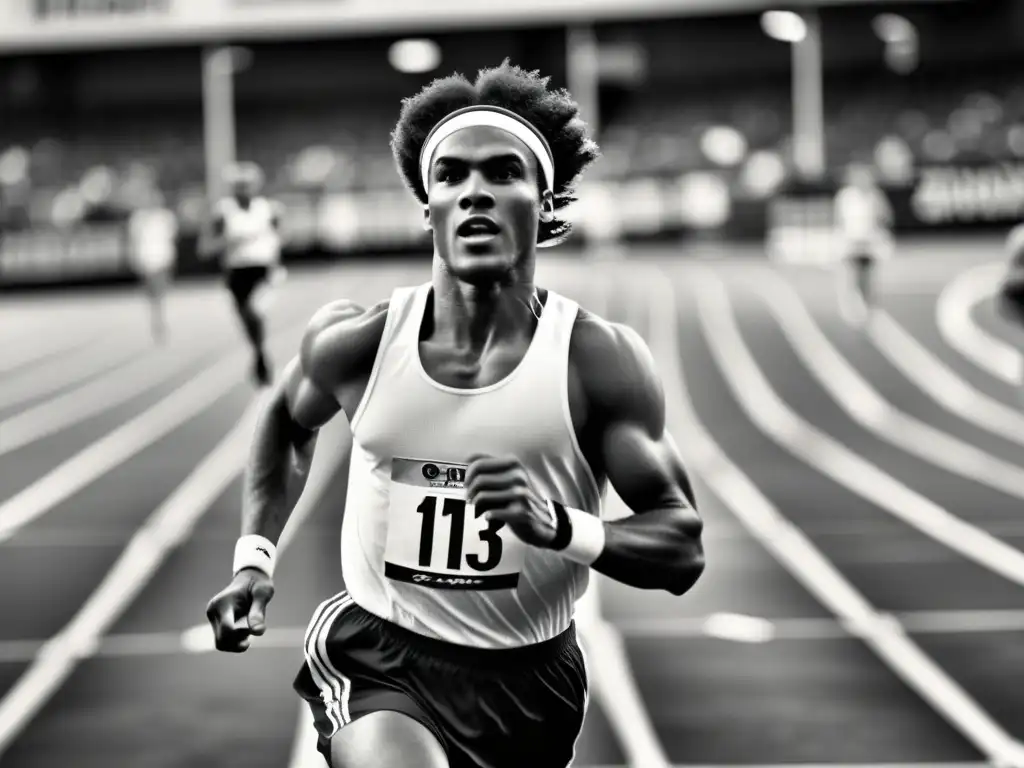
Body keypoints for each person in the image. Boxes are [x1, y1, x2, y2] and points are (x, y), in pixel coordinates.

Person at [205, 61, 705, 768]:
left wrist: (559, 525)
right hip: (381, 658)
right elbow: (288, 421)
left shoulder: (598, 362)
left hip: (533, 680)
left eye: (503, 173)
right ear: (428, 207)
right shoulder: (359, 343)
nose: (474, 193)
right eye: (451, 176)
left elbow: (681, 547)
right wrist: (254, 560)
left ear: (547, 200)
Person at [200, 161, 286, 386]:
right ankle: (259, 355)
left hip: (262, 271)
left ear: (256, 185)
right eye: (239, 185)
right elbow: (205, 247)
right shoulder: (223, 212)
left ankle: (260, 359)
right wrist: (227, 241)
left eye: (247, 185)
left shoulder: (268, 209)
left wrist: (276, 260)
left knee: (253, 312)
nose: (243, 190)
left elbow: (281, 238)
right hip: (237, 273)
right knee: (247, 322)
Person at [833, 163, 895, 328]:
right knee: (852, 275)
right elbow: (838, 219)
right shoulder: (845, 196)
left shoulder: (875, 196)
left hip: (869, 242)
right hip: (851, 242)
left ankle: (869, 307)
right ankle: (851, 306)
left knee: (867, 277)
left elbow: (886, 216)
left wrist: (878, 232)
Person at [127, 189, 179, 344]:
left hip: (162, 258)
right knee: (152, 295)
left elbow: (172, 237)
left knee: (159, 293)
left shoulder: (166, 217)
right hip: (145, 259)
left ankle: (159, 321)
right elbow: (133, 240)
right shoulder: (138, 218)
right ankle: (157, 319)